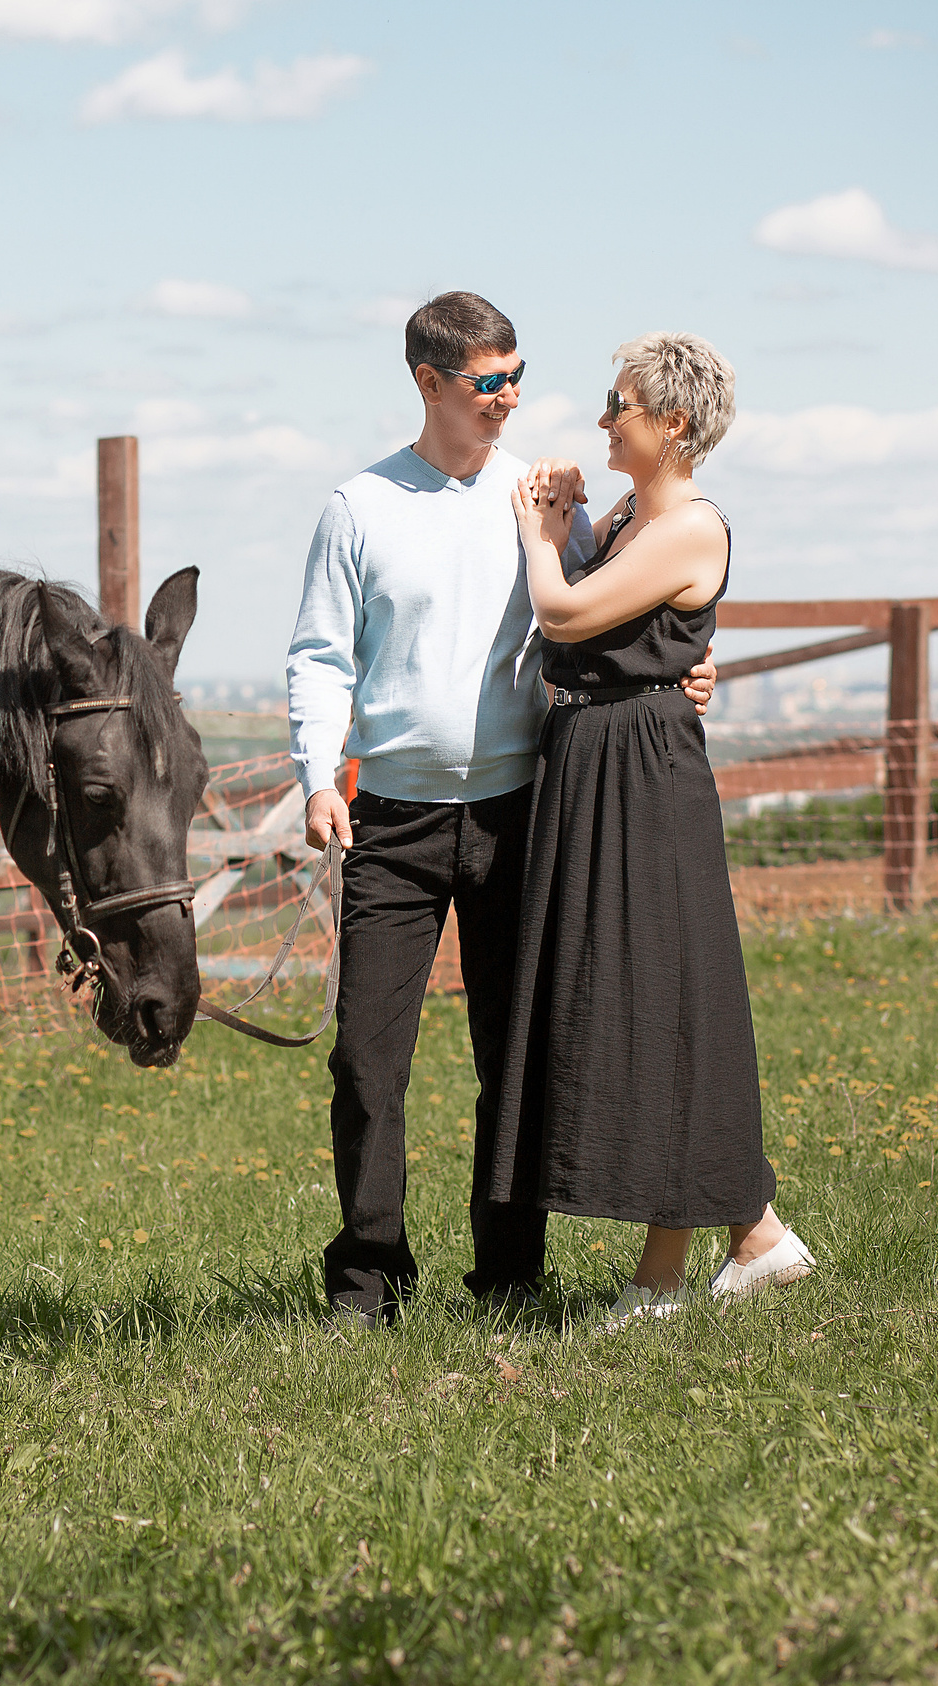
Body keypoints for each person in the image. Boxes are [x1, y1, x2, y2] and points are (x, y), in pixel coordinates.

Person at [286, 293, 713, 1327]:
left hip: (525, 816)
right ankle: (367, 1282)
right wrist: (313, 777)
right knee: (364, 1062)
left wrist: (686, 678)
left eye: (515, 375)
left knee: (513, 1062)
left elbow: (618, 614)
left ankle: (510, 1280)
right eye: (487, 382)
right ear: (428, 383)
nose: (507, 397)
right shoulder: (358, 506)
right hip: (390, 821)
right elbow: (319, 657)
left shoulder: (539, 502)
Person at [488, 332, 815, 1329]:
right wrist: (580, 514)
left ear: (669, 423)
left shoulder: (688, 527)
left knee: (664, 1001)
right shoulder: (639, 515)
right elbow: (625, 627)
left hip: (641, 778)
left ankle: (670, 1278)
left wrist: (539, 530)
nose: (601, 419)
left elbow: (564, 613)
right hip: (604, 767)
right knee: (649, 1001)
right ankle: (753, 1237)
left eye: (616, 404)